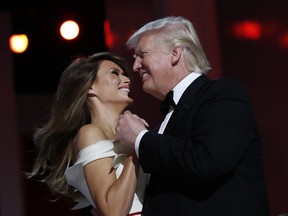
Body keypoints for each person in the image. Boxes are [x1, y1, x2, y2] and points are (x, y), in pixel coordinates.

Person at [116, 16, 270, 215]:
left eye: (141, 55)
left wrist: (140, 138)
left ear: (175, 53)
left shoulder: (223, 93)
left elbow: (206, 161)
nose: (135, 66)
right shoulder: (167, 116)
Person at [28, 52, 148, 216]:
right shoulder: (89, 133)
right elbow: (114, 212)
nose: (127, 79)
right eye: (115, 73)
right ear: (90, 87)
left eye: (124, 75)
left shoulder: (130, 132)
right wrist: (136, 147)